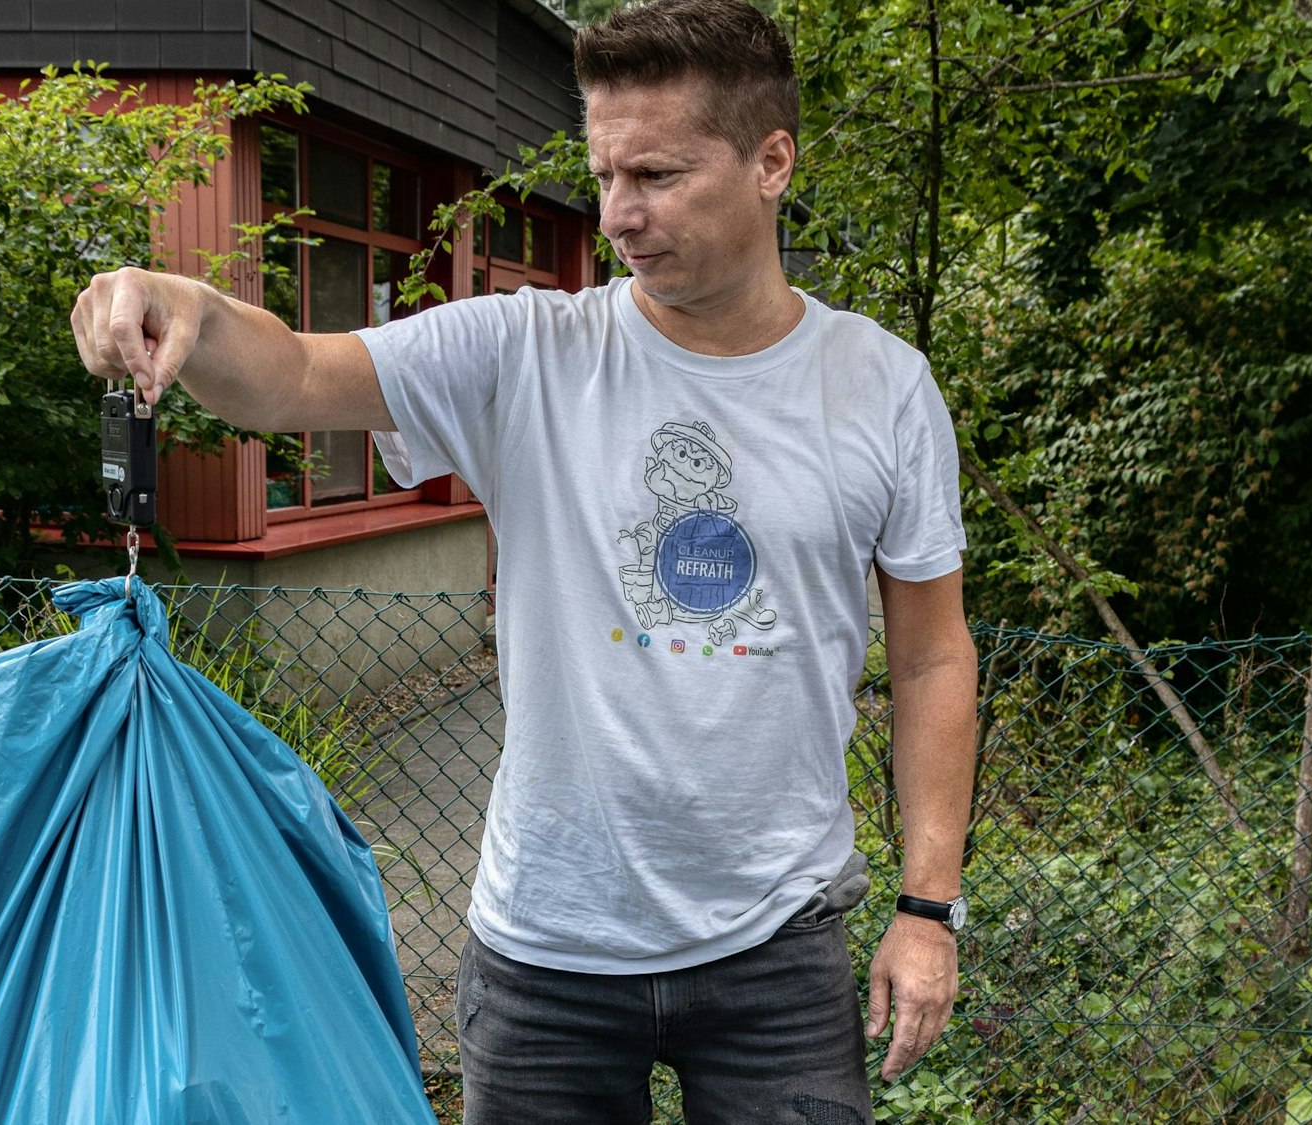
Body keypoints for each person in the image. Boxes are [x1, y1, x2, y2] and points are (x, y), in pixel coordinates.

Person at [70, 1, 976, 1120]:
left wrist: (925, 909)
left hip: (775, 949)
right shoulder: (524, 350)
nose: (618, 215)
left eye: (654, 174)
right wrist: (188, 308)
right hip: (547, 952)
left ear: (769, 161)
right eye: (603, 175)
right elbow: (296, 375)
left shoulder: (880, 387)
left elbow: (932, 659)